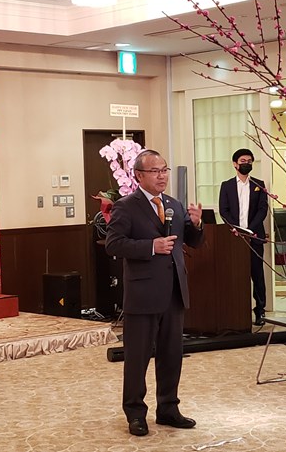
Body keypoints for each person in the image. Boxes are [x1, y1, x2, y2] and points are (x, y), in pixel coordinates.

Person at [105, 149, 204, 437]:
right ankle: (135, 413)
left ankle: (168, 409)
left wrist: (196, 224)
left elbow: (193, 241)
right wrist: (151, 246)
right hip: (143, 293)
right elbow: (114, 244)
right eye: (155, 171)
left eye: (164, 170)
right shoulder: (126, 206)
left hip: (173, 292)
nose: (162, 176)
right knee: (137, 358)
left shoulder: (173, 204)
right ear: (139, 175)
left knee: (172, 355)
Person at [219, 148, 269, 326]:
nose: (246, 164)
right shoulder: (226, 185)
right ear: (235, 164)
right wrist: (236, 228)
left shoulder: (259, 184)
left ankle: (260, 310)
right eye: (243, 161)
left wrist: (249, 229)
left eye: (249, 161)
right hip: (234, 237)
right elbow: (223, 210)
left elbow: (263, 210)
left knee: (257, 274)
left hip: (254, 236)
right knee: (236, 275)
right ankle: (236, 311)